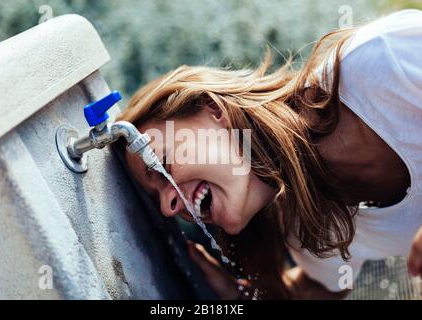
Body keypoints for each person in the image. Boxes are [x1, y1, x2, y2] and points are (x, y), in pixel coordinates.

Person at [119, 9, 422, 299]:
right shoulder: (308, 229)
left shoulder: (381, 62)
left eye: (160, 164)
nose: (168, 207)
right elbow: (321, 291)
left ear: (214, 109)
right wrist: (236, 295)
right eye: (156, 198)